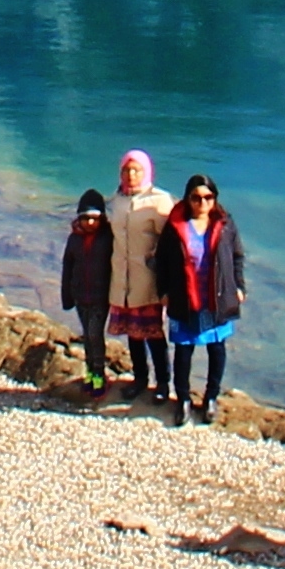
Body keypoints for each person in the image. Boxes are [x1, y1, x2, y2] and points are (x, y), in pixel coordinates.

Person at [157, 175, 248, 428]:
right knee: (184, 351)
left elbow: (237, 256)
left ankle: (211, 398)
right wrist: (163, 291)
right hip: (184, 297)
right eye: (196, 198)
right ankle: (183, 399)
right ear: (188, 199)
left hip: (215, 299)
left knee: (216, 348)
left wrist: (239, 286)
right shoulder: (175, 226)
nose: (202, 203)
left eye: (208, 198)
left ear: (215, 199)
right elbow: (161, 261)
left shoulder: (225, 224)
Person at [102, 150, 173, 409]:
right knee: (133, 334)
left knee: (153, 333)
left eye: (136, 170)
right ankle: (140, 379)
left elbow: (172, 242)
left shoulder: (160, 202)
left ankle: (164, 384)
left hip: (148, 279)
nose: (131, 175)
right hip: (122, 279)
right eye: (126, 170)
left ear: (147, 172)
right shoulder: (116, 200)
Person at [58, 193, 121, 395]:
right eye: (86, 218)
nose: (90, 222)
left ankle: (99, 374)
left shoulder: (108, 238)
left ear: (102, 218)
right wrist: (66, 296)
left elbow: (118, 266)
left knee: (95, 335)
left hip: (100, 297)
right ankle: (89, 371)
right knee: (87, 336)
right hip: (80, 295)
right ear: (79, 218)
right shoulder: (74, 239)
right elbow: (67, 267)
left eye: (95, 218)